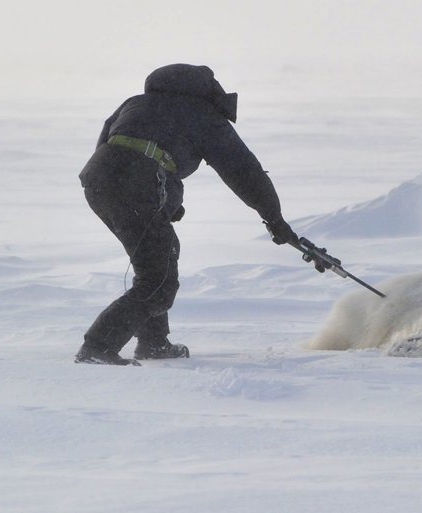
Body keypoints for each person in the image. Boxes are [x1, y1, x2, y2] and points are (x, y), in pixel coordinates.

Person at [75, 64, 300, 365]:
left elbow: (113, 148)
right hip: (138, 181)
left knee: (154, 262)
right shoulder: (201, 114)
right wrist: (274, 218)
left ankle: (153, 343)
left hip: (98, 180)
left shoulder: (135, 103)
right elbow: (244, 171)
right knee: (159, 278)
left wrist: (164, 198)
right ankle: (98, 347)